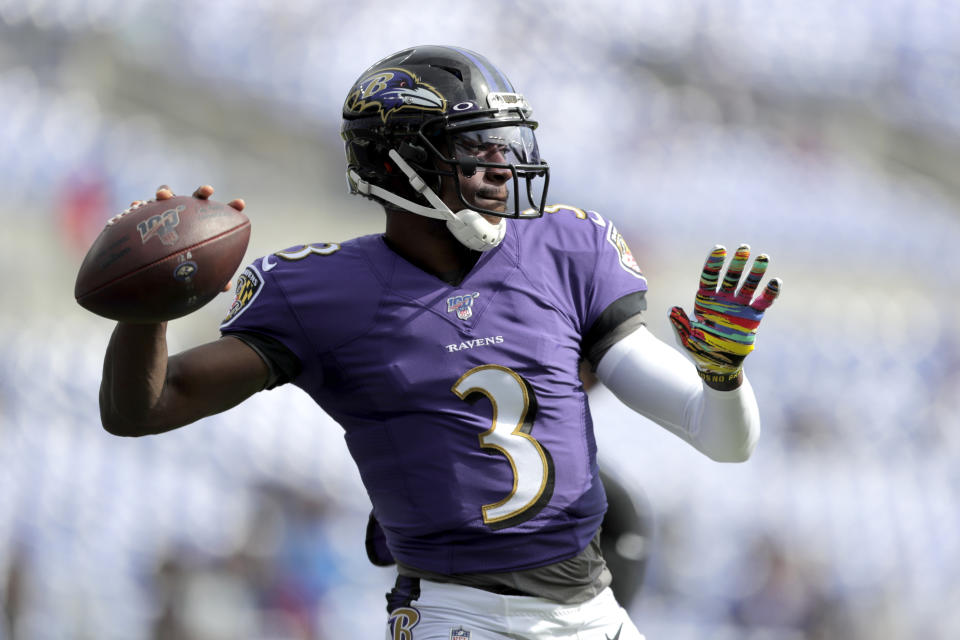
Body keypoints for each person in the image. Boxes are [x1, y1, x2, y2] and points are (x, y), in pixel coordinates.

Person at [96, 45, 781, 639]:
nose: (502, 167)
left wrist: (724, 378)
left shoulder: (565, 248)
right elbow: (143, 409)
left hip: (591, 609)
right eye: (474, 149)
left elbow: (723, 440)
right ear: (395, 165)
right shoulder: (323, 291)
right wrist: (147, 311)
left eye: (504, 144)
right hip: (463, 616)